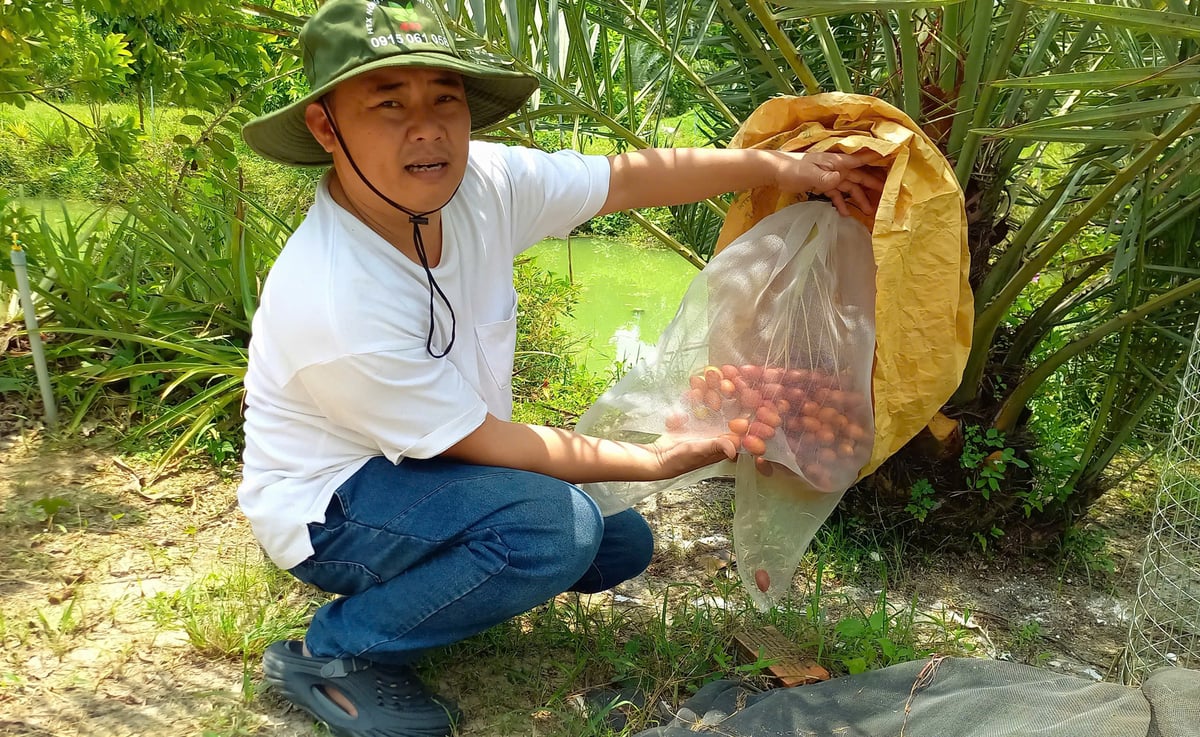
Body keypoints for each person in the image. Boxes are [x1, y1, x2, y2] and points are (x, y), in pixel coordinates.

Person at [238, 1, 882, 735]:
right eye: (389, 104)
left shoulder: (484, 183)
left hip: (423, 462)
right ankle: (335, 650)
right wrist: (655, 458)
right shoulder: (333, 296)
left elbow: (629, 179)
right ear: (326, 128)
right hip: (335, 504)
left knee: (615, 542)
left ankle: (450, 577)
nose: (426, 128)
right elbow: (479, 439)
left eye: (444, 98)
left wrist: (783, 165)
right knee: (555, 530)